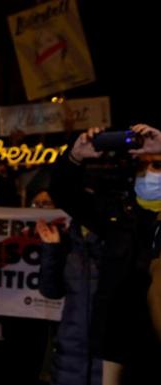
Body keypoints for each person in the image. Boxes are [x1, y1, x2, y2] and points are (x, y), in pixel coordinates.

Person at [49, 124, 161, 385]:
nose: (149, 174)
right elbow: (63, 192)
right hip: (119, 347)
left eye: (157, 166)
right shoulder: (118, 215)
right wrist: (75, 156)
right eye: (143, 166)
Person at [37, 214, 103, 385]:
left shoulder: (122, 238)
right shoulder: (67, 239)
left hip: (106, 360)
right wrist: (51, 249)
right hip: (69, 357)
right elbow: (51, 291)